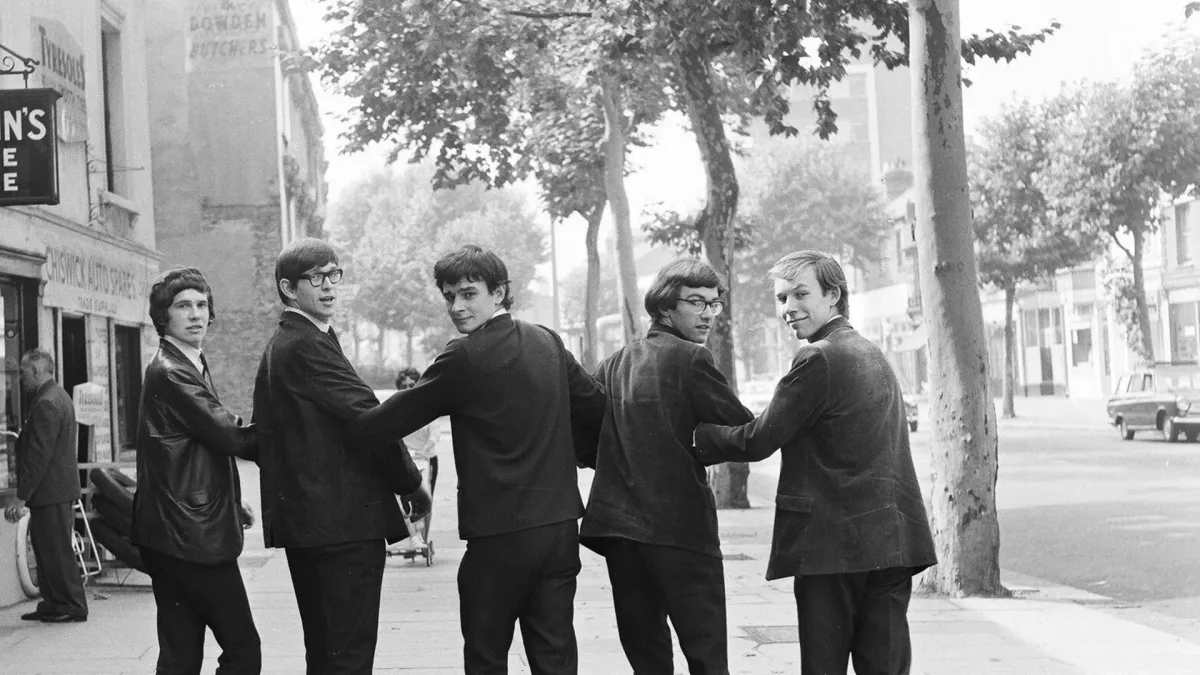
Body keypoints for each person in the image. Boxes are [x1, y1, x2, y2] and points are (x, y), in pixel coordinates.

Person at [347, 244, 606, 674]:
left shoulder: (462, 357)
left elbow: (379, 426)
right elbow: (597, 408)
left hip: (497, 536)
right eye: (449, 296)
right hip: (558, 529)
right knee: (556, 657)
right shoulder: (548, 341)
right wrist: (574, 455)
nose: (456, 307)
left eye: (468, 294)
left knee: (486, 658)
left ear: (499, 292)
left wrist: (343, 406)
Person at [693, 250, 937, 675]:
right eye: (782, 298)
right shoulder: (871, 352)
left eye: (800, 294)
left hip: (833, 548)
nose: (788, 308)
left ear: (833, 295)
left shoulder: (818, 357)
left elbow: (760, 438)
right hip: (892, 544)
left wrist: (699, 438)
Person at [252, 237, 430, 674]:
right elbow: (370, 417)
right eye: (316, 278)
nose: (330, 285)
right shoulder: (306, 344)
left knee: (324, 651)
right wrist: (411, 484)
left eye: (334, 274)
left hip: (309, 525)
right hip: (342, 527)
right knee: (349, 653)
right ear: (289, 288)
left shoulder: (283, 344)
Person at [579, 259, 753, 674]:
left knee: (648, 661)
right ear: (663, 307)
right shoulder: (693, 358)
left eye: (714, 303)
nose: (708, 313)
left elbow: (584, 444)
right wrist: (701, 445)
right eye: (696, 302)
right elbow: (743, 428)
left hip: (619, 534)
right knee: (707, 659)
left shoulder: (613, 364)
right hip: (680, 531)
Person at [132, 267, 261, 674]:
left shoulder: (183, 362)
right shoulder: (173, 372)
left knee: (180, 658)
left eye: (202, 305)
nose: (196, 314)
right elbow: (231, 436)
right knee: (243, 650)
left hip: (173, 530)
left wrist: (230, 502)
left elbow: (195, 447)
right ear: (163, 316)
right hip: (191, 536)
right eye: (183, 306)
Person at [2, 348, 87, 623]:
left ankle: (71, 605)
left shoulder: (46, 402)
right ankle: (54, 602)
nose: (20, 378)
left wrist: (21, 496)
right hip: (54, 490)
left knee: (56, 550)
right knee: (46, 548)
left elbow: (39, 455)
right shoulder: (56, 396)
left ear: (37, 371)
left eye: (23, 372)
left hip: (51, 491)